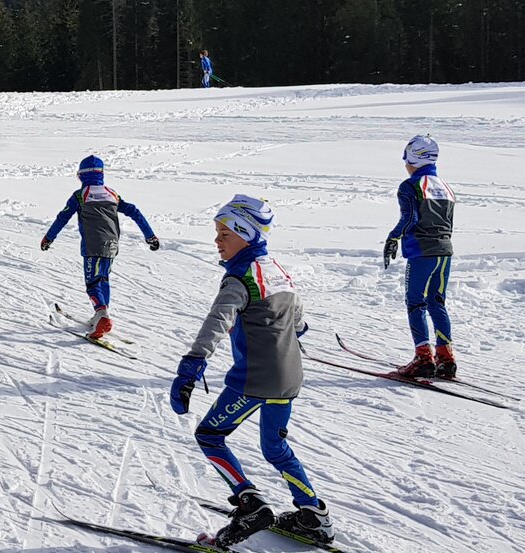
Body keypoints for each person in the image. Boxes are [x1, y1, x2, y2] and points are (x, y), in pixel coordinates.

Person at [169, 195, 332, 547]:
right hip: (289, 378)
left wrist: (191, 366)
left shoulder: (239, 279)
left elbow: (216, 322)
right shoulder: (278, 272)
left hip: (254, 379)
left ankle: (250, 505)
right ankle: (313, 515)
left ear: (245, 235)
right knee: (275, 448)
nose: (217, 241)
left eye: (224, 234)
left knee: (210, 435)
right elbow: (300, 325)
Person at [40, 156, 159, 339]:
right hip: (112, 245)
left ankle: (102, 315)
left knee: (92, 283)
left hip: (93, 246)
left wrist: (48, 238)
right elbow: (134, 211)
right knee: (103, 280)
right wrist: (150, 236)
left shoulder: (80, 196)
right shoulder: (112, 194)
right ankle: (101, 315)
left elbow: (62, 218)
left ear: (81, 176)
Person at [382, 135, 457, 378]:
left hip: (421, 252)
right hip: (445, 251)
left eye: (406, 159)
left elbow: (409, 219)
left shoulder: (410, 186)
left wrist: (393, 238)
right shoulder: (446, 187)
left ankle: (423, 357)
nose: (405, 164)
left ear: (413, 158)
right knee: (437, 302)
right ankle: (446, 358)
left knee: (416, 303)